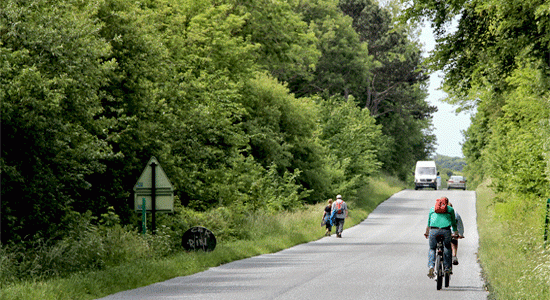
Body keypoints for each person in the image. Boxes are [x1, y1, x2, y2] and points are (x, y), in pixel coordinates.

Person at [424, 196, 458, 279]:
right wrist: (456, 233)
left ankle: (431, 266)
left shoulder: (432, 209)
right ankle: (447, 267)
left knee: (432, 248)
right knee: (447, 246)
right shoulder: (450, 209)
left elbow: (429, 224)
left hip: (433, 231)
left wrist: (427, 233)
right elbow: (453, 223)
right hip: (446, 231)